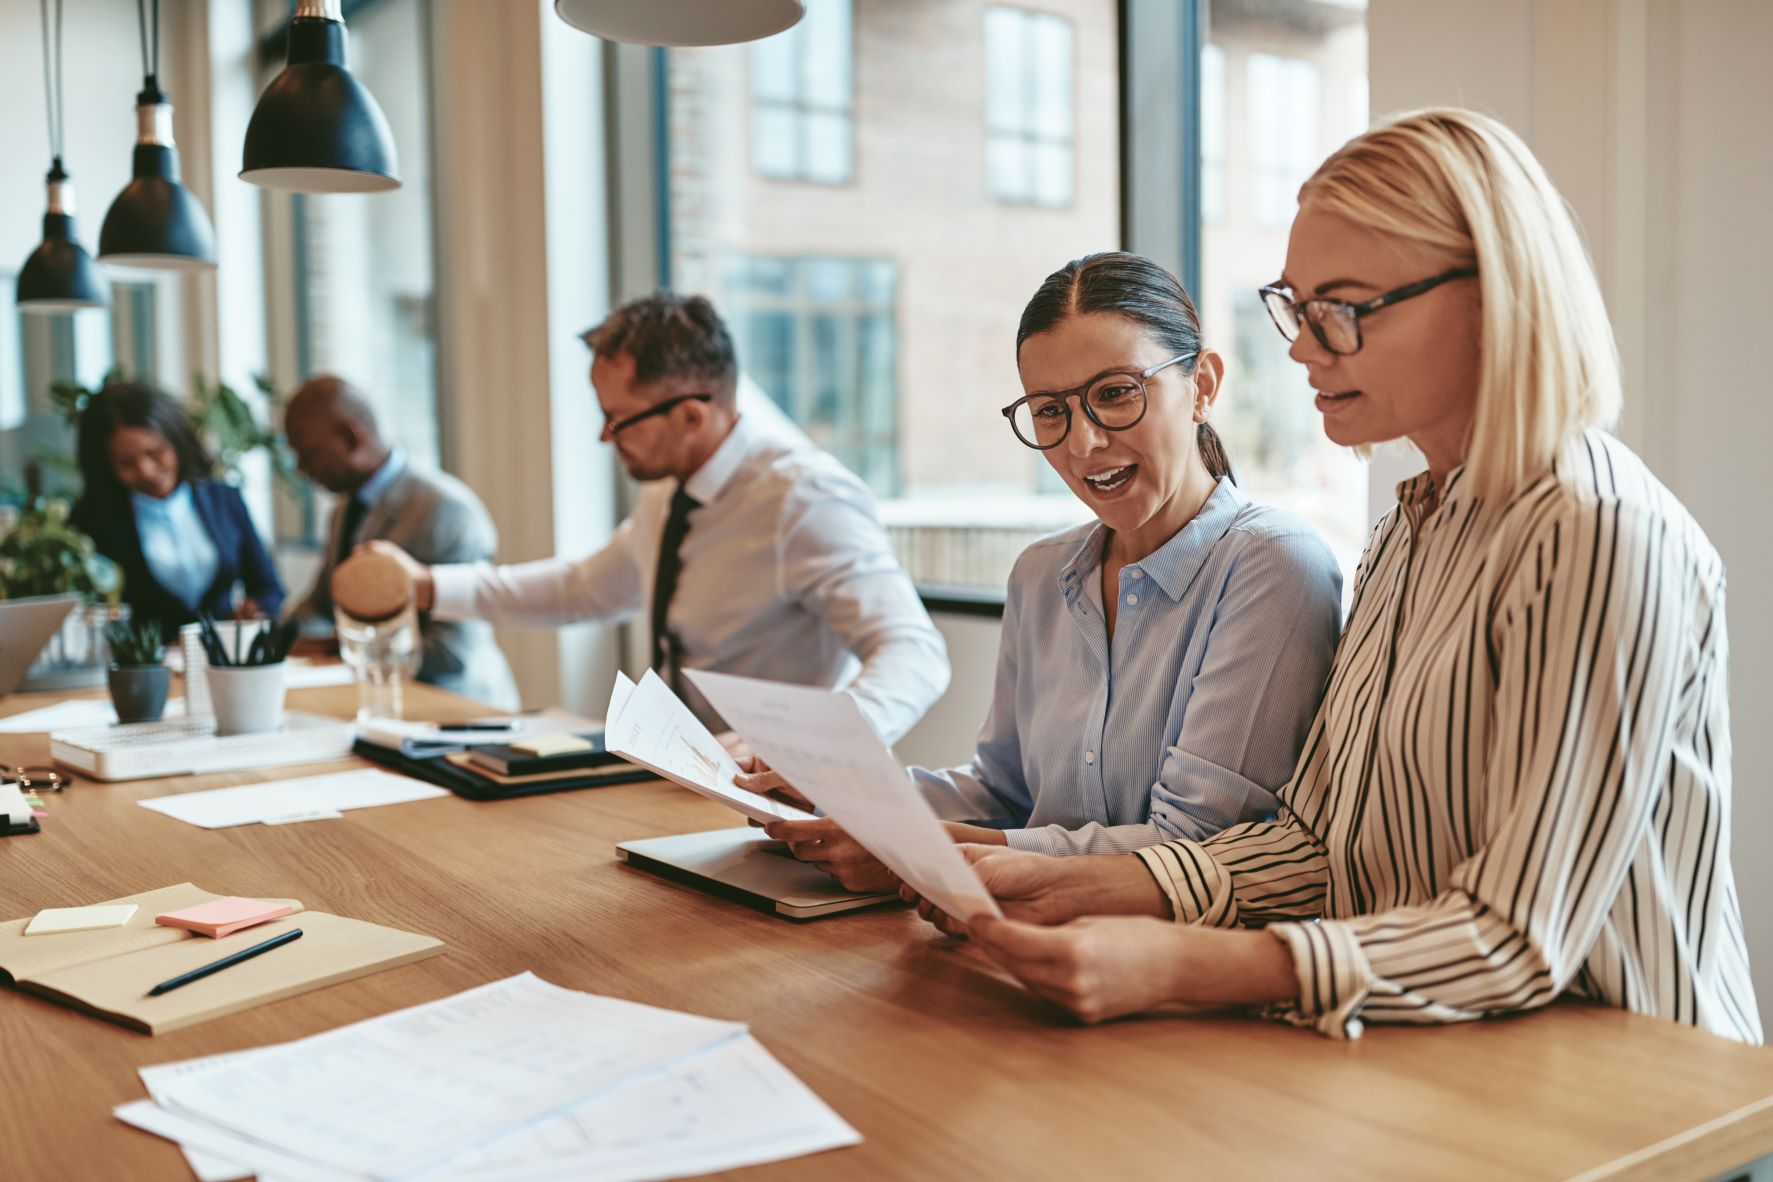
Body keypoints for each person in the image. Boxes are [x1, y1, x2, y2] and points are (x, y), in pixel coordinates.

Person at [916, 108, 1762, 1046]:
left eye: (1343, 310)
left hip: (1634, 1095)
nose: (1301, 347)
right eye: (1296, 307)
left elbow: (1513, 937)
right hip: (1440, 1059)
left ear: (1493, 297)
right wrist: (1076, 880)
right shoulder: (1410, 528)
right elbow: (1316, 846)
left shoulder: (1594, 533)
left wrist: (1180, 961)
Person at [739, 253, 1343, 891]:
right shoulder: (1041, 574)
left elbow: (1196, 845)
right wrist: (844, 794)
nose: (1082, 443)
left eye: (1115, 394)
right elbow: (1002, 790)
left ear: (1203, 386)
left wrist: (921, 851)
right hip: (1017, 935)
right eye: (1051, 410)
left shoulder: (1272, 563)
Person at [367, 292, 949, 742]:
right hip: (680, 776)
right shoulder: (671, 493)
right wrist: (425, 587)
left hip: (780, 804)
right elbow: (584, 589)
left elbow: (912, 651)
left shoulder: (802, 499)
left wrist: (809, 749)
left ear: (693, 415)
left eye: (619, 420)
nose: (604, 437)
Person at [283, 375, 518, 711]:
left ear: (350, 438)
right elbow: (321, 604)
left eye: (308, 453)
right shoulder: (343, 511)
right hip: (380, 706)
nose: (301, 468)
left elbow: (452, 654)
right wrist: (269, 636)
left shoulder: (445, 510)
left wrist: (339, 646)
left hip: (456, 710)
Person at [72, 380, 282, 636]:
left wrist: (255, 609)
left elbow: (269, 588)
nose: (146, 472)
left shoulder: (223, 499)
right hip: (144, 670)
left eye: (155, 453)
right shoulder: (92, 523)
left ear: (176, 441)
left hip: (222, 661)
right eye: (126, 463)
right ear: (106, 466)